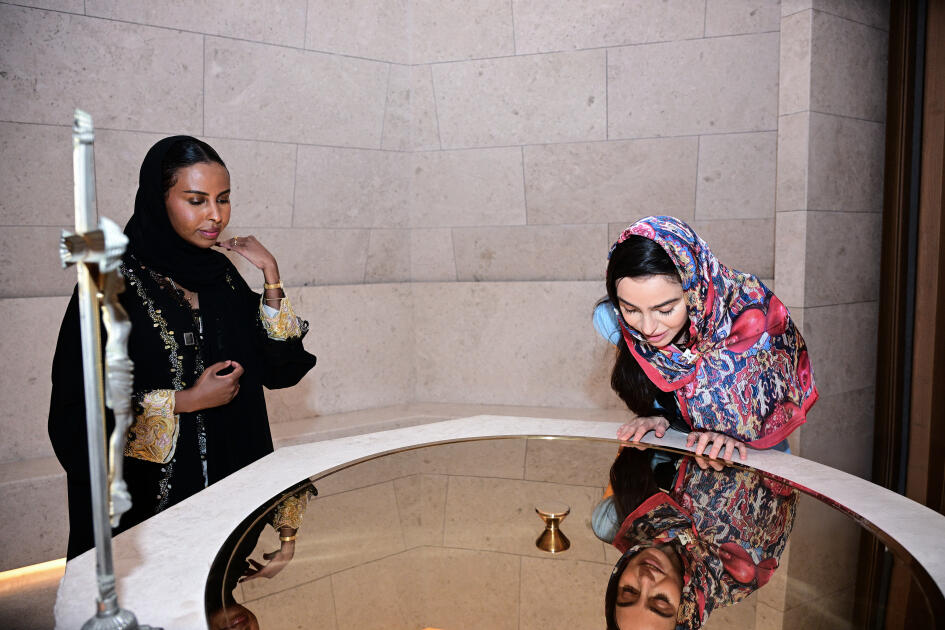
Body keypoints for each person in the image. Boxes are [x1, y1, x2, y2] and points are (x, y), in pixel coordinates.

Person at [48, 136, 317, 562]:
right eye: (196, 200)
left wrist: (271, 276)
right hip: (146, 520)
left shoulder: (220, 276)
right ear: (159, 200)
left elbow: (279, 368)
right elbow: (75, 412)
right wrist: (184, 401)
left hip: (224, 510)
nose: (216, 216)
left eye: (223, 199)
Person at [594, 216, 817, 460]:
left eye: (665, 310)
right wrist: (660, 414)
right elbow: (656, 387)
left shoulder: (755, 321)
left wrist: (736, 434)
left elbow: (770, 416)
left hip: (756, 462)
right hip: (677, 462)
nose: (647, 328)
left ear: (695, 291)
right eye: (631, 309)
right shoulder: (613, 321)